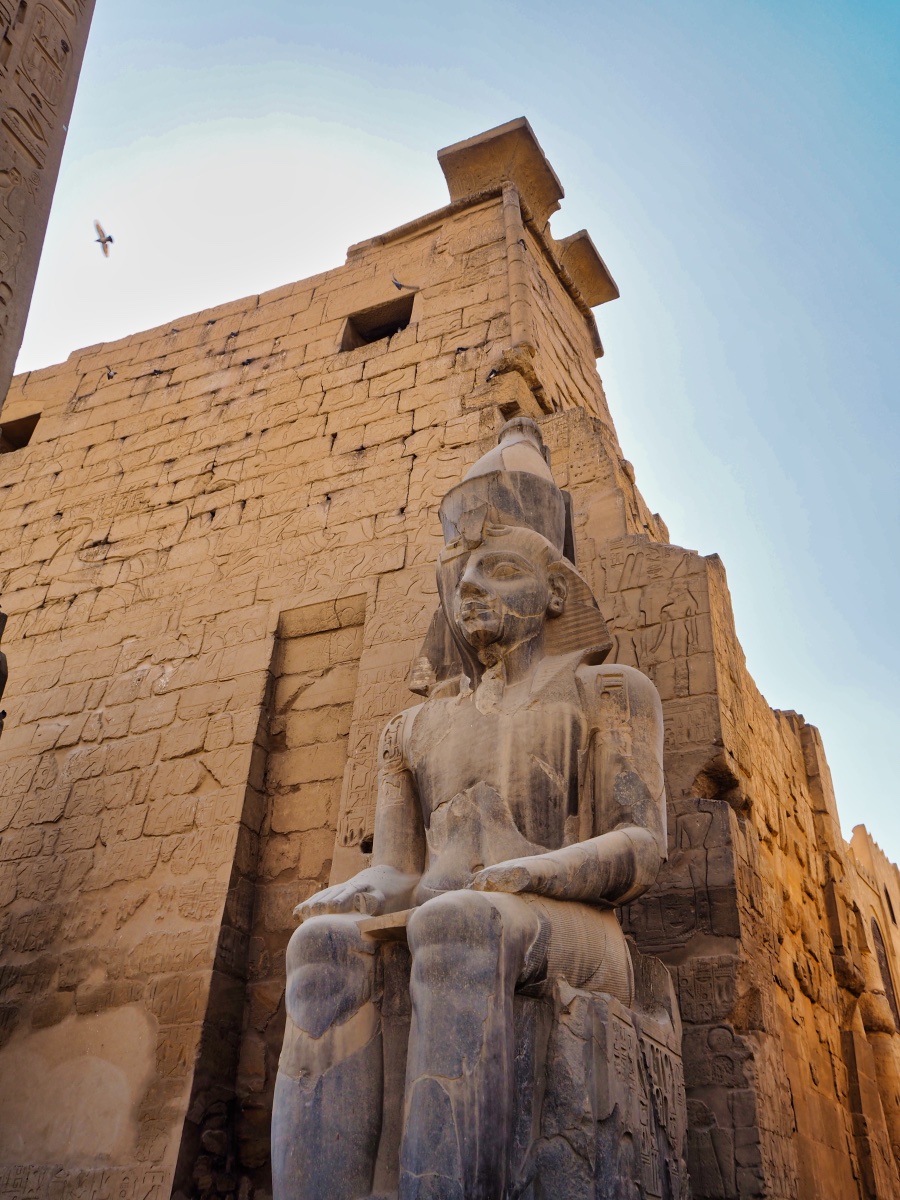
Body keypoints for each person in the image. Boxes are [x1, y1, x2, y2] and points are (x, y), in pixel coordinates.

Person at [273, 418, 667, 1200]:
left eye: (501, 570)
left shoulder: (608, 693)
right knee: (320, 944)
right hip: (458, 903)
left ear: (556, 592)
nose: (473, 591)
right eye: (461, 580)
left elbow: (642, 842)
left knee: (458, 925)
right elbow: (397, 869)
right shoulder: (410, 728)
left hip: (574, 922)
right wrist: (360, 889)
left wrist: (540, 872)